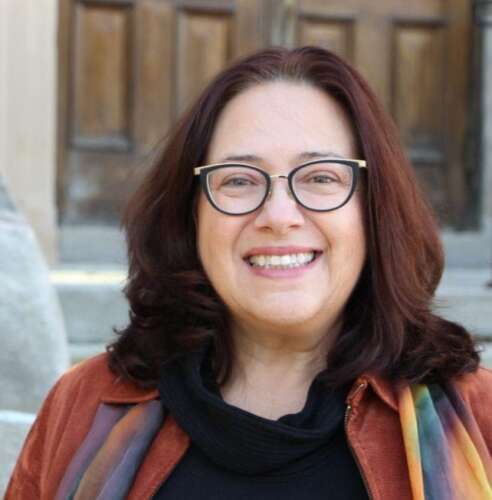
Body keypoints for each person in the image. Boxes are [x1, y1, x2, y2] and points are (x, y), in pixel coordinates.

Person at [6, 46, 492, 500]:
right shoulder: (85, 406)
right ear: (190, 213)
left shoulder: (478, 419)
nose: (279, 216)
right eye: (238, 179)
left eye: (321, 177)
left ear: (374, 209)